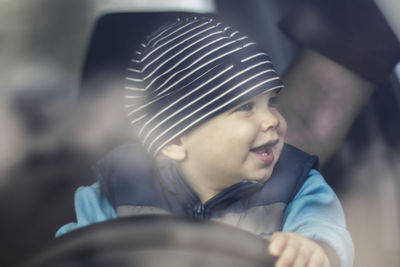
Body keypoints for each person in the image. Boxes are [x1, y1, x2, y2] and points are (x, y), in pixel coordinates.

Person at [57, 16, 353, 267]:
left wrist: (314, 249)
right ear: (173, 140)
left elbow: (324, 230)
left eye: (271, 101)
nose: (272, 119)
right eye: (246, 107)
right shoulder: (117, 190)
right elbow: (74, 250)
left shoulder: (298, 185)